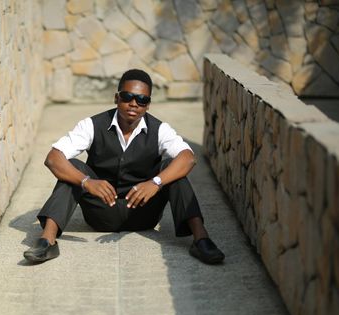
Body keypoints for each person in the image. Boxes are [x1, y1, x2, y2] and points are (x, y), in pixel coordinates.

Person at [24, 69, 225, 264]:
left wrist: (156, 182)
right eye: (127, 96)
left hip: (142, 212)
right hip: (100, 213)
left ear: (148, 105)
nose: (134, 103)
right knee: (74, 167)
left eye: (142, 99)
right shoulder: (92, 125)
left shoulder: (160, 129)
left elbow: (188, 158)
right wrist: (86, 182)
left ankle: (201, 240)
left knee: (172, 168)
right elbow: (53, 158)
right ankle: (47, 242)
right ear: (116, 98)